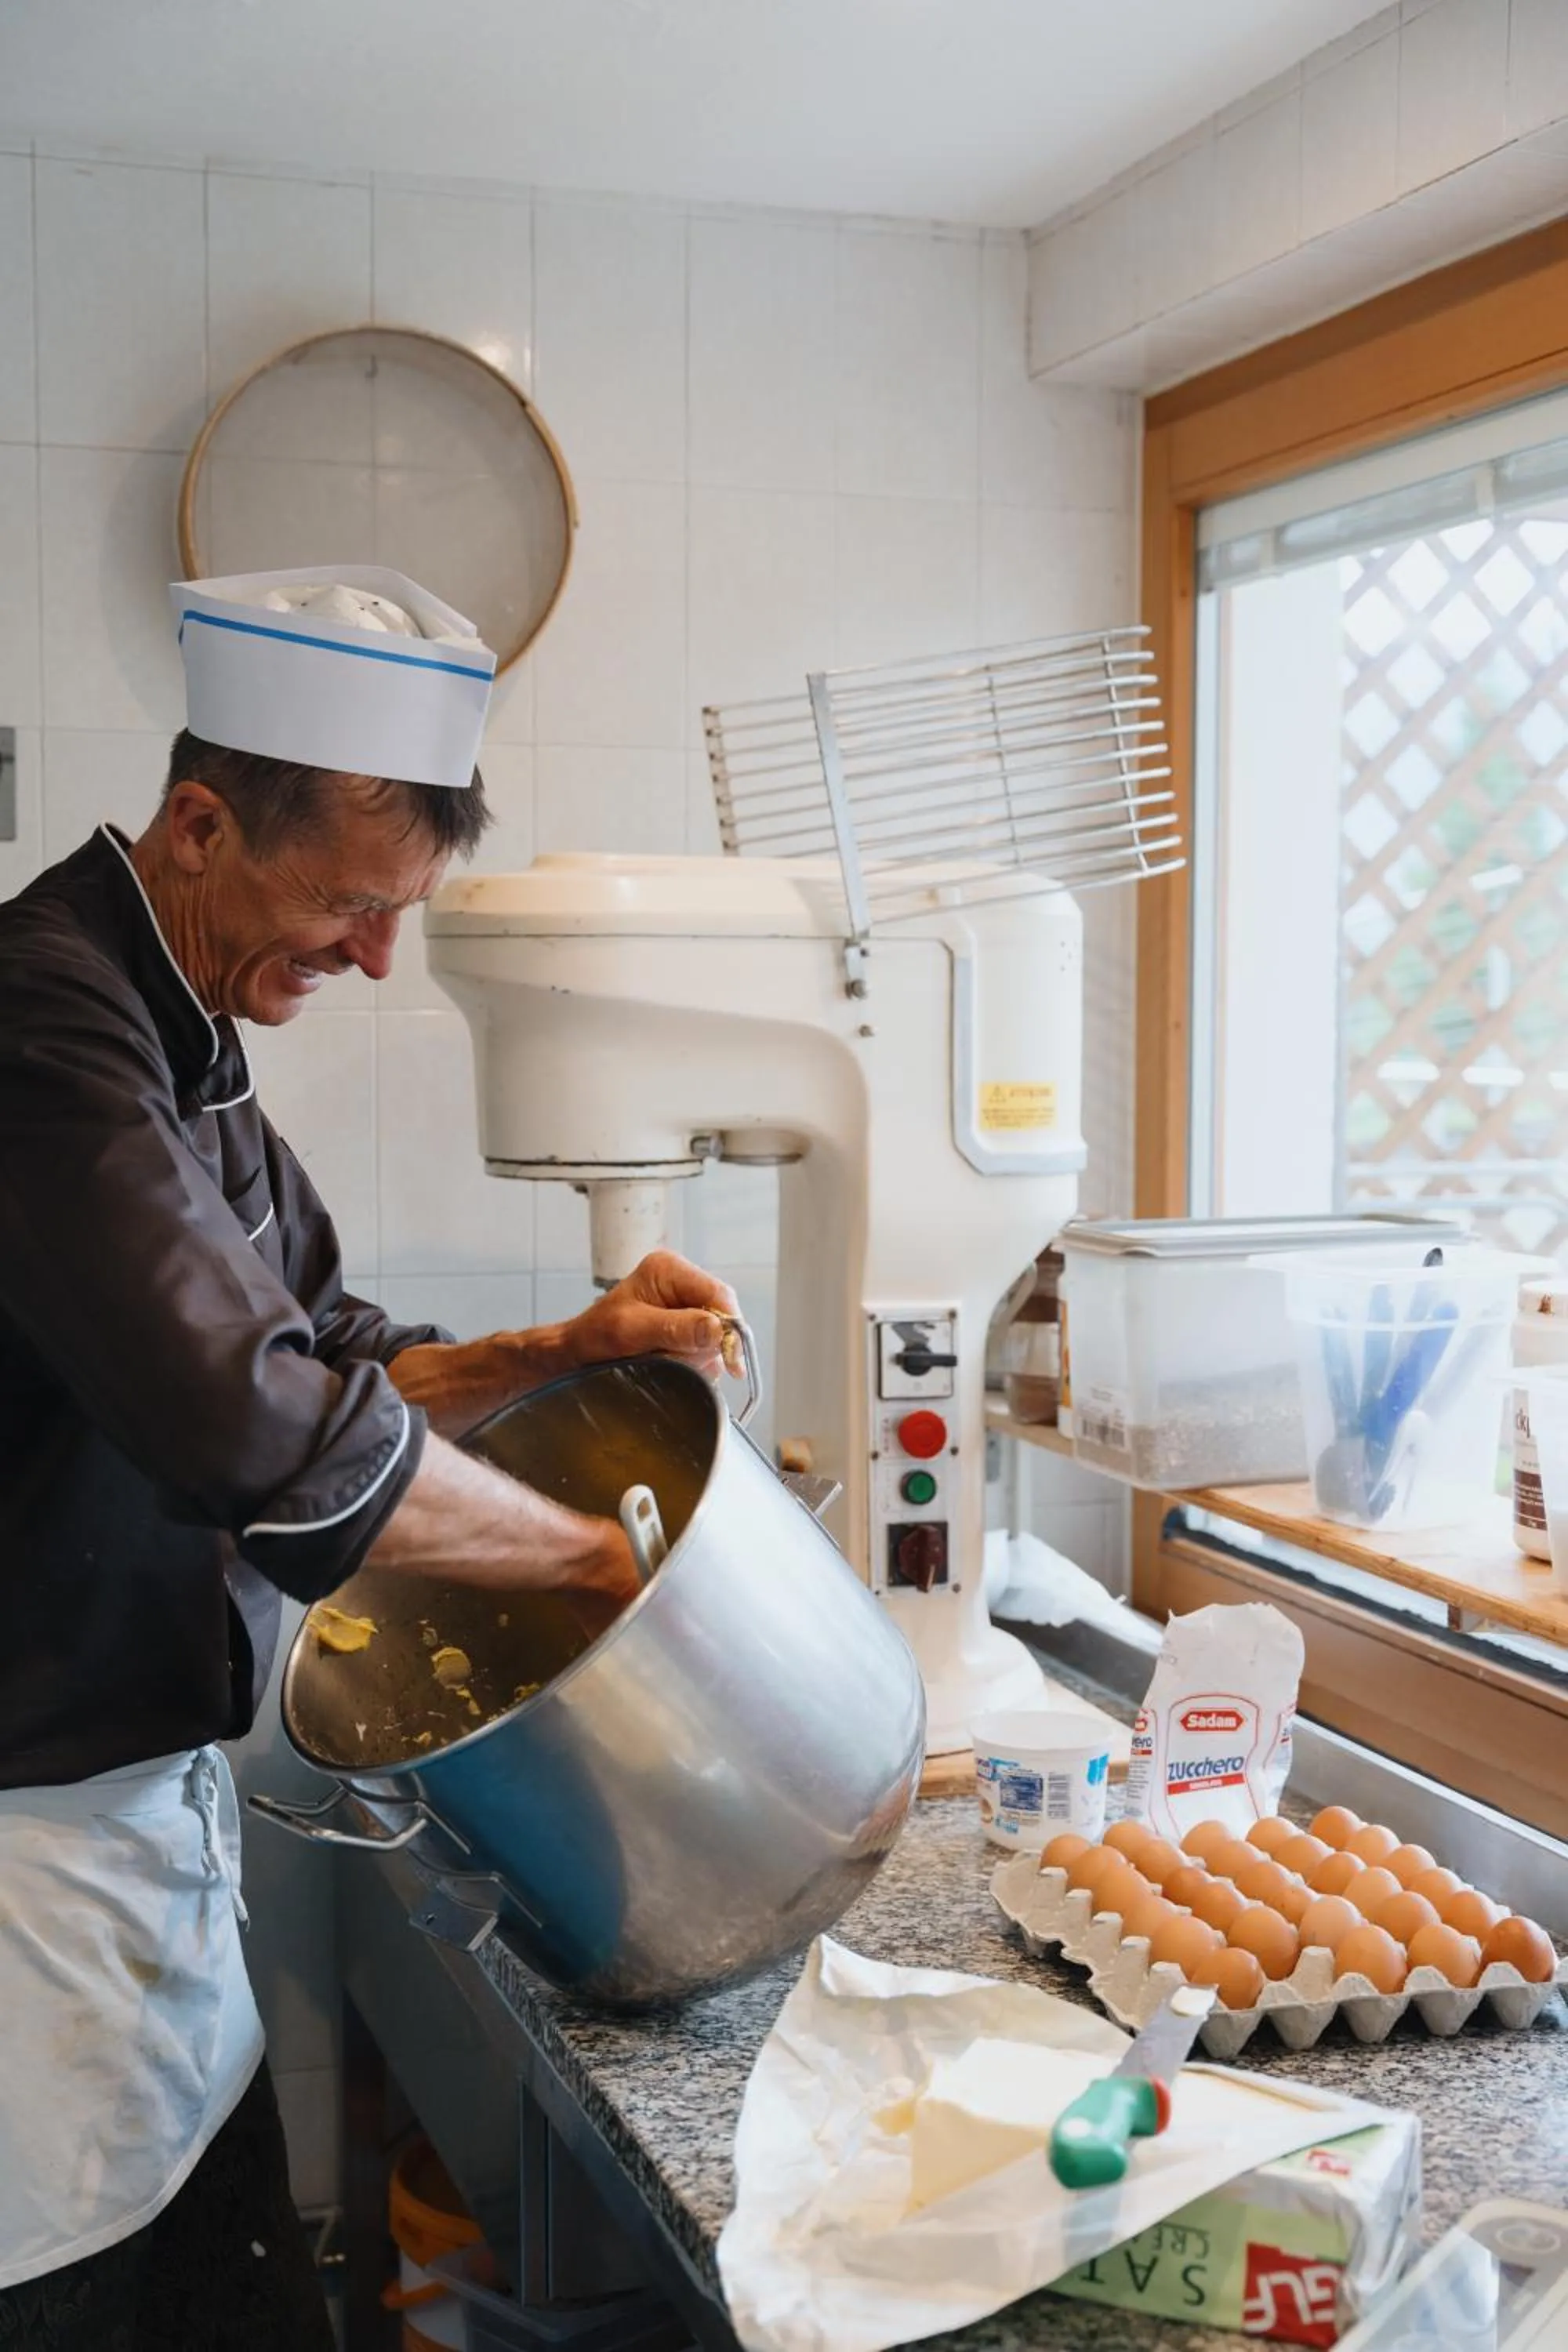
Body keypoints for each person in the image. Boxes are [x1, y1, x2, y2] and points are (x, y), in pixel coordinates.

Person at [0, 567, 739, 2347]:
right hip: (24, 1879)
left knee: (235, 2274)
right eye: (348, 900)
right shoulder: (40, 1030)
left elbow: (334, 1354)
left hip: (127, 1854)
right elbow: (252, 1426)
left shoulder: (185, 1029)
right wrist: (601, 1576)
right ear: (199, 823)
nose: (376, 956)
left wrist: (561, 1358)